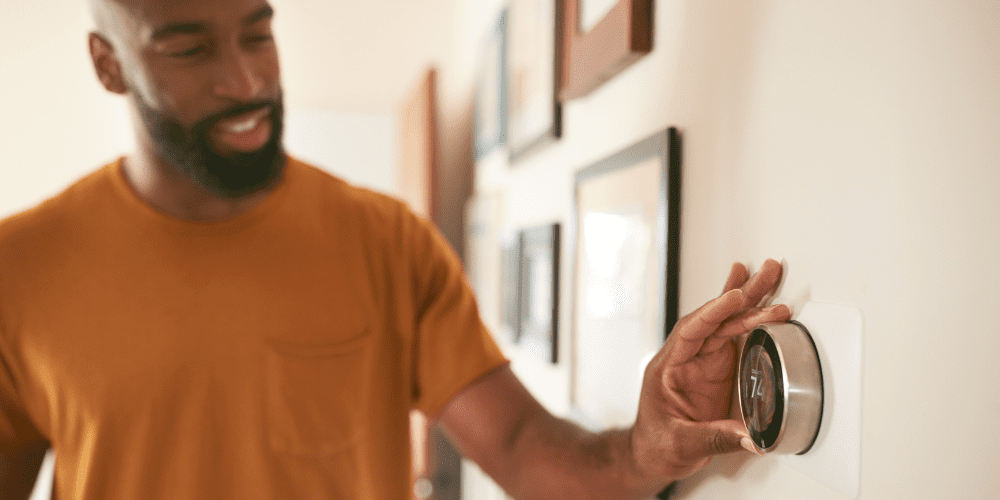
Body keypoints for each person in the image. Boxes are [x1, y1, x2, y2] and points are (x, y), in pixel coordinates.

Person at [0, 0, 791, 498]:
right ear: (110, 64)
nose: (246, 81)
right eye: (189, 49)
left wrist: (645, 447)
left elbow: (519, 448)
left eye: (259, 32)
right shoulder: (19, 269)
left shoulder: (386, 240)